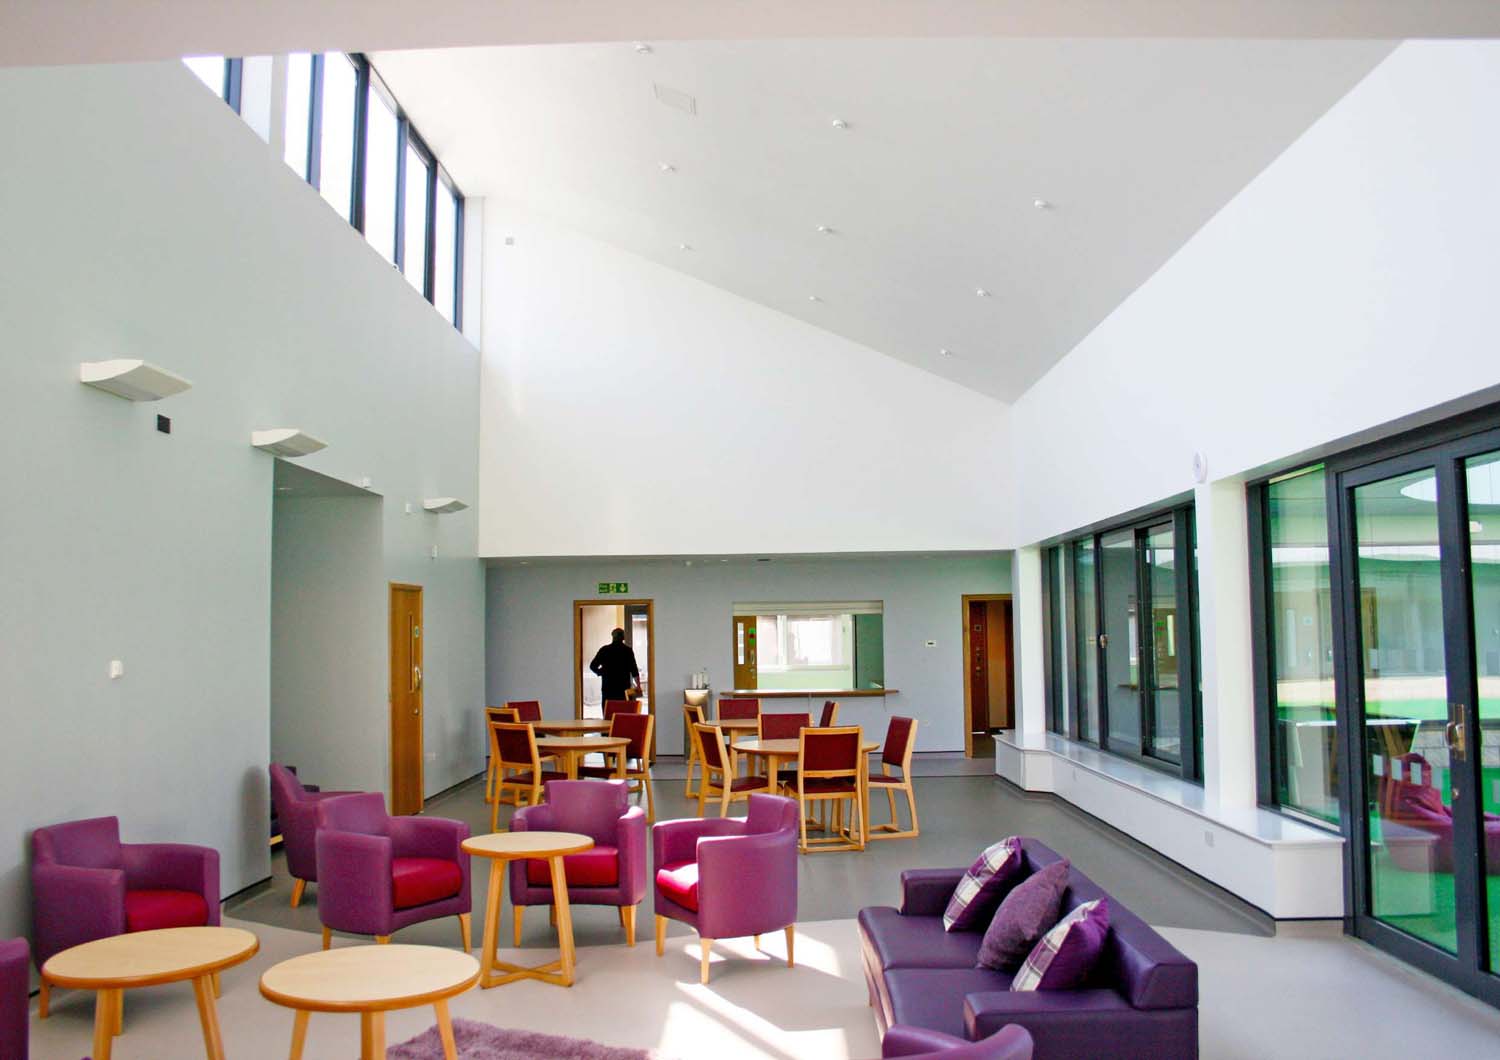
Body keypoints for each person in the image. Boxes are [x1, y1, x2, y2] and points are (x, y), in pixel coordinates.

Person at [589, 627, 641, 708]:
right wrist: (638, 686)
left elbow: (592, 666)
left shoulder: (604, 650)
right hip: (623, 689)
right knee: (623, 715)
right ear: (623, 637)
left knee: (608, 715)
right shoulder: (627, 651)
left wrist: (601, 672)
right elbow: (634, 670)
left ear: (612, 637)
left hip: (608, 688)